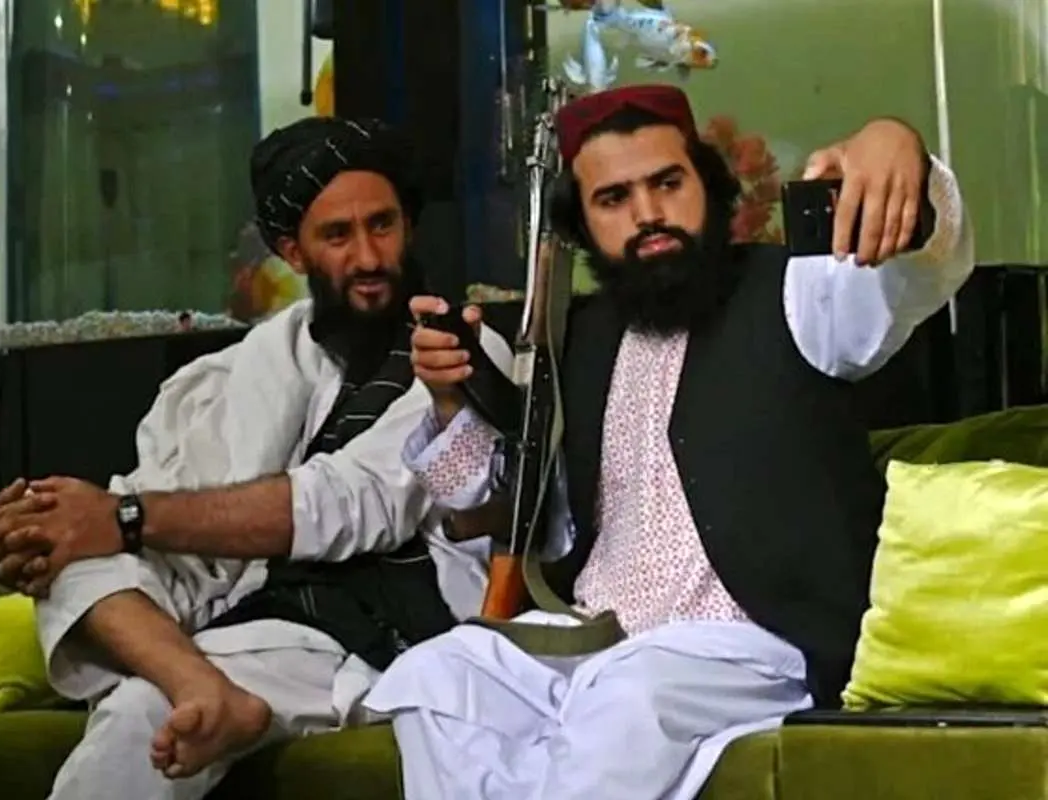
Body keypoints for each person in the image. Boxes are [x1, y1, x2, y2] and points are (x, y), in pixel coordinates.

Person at [364, 84, 974, 800]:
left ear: (708, 186)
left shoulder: (795, 294)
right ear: (583, 225)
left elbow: (916, 271)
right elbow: (518, 513)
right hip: (595, 636)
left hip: (749, 646)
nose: (648, 214)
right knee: (438, 677)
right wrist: (450, 398)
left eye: (667, 183)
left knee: (630, 694)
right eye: (613, 199)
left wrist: (896, 147)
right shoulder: (581, 338)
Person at [0, 116, 510, 800]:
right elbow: (154, 518)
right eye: (337, 235)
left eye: (383, 225)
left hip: (371, 632)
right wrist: (32, 535)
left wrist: (123, 516)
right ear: (293, 251)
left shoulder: (456, 355)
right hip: (229, 620)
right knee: (78, 553)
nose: (369, 257)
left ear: (409, 225)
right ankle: (198, 684)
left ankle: (192, 688)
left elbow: (353, 504)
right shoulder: (224, 379)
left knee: (141, 710)